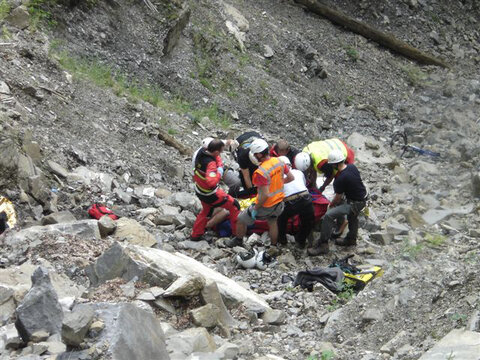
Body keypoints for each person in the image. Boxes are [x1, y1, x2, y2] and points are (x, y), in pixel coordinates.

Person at [225, 139, 294, 248]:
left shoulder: (261, 172)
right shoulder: (279, 162)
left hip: (266, 205)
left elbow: (264, 195)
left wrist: (256, 209)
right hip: (279, 202)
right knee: (272, 222)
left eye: (255, 154)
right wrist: (278, 183)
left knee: (240, 219)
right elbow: (291, 177)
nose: (254, 156)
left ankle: (238, 240)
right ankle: (273, 246)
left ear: (260, 154)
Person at [307, 149, 367, 256]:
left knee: (329, 216)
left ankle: (323, 245)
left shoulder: (340, 178)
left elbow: (338, 198)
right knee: (353, 217)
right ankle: (351, 239)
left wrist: (331, 205)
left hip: (354, 203)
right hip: (362, 198)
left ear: (334, 165)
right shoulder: (352, 167)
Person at [191, 139, 240, 241]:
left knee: (206, 211)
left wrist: (220, 163)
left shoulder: (201, 151)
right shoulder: (210, 164)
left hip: (200, 190)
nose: (221, 153)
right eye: (221, 151)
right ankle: (237, 236)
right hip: (211, 194)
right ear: (216, 151)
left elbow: (216, 156)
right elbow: (212, 182)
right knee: (235, 205)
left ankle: (196, 234)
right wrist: (219, 172)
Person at [276, 156, 314, 248]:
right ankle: (301, 242)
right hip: (306, 199)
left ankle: (282, 240)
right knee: (307, 221)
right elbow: (303, 185)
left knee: (281, 219)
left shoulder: (278, 177)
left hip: (290, 202)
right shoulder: (298, 172)